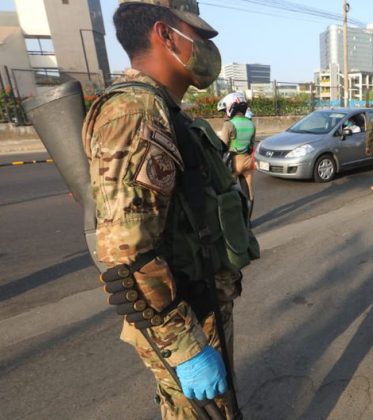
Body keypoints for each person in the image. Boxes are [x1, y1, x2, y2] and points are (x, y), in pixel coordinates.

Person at [82, 1, 258, 418]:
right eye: (197, 35)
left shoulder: (161, 108)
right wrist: (185, 347)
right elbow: (126, 250)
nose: (206, 47)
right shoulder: (135, 112)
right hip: (185, 316)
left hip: (198, 306)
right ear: (165, 35)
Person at [218, 92, 256, 224]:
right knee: (249, 193)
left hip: (233, 163)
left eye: (224, 110)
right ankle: (248, 222)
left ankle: (233, 223)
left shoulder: (229, 124)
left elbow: (222, 146)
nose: (224, 113)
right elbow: (251, 145)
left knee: (229, 194)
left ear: (230, 107)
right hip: (247, 161)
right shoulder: (251, 124)